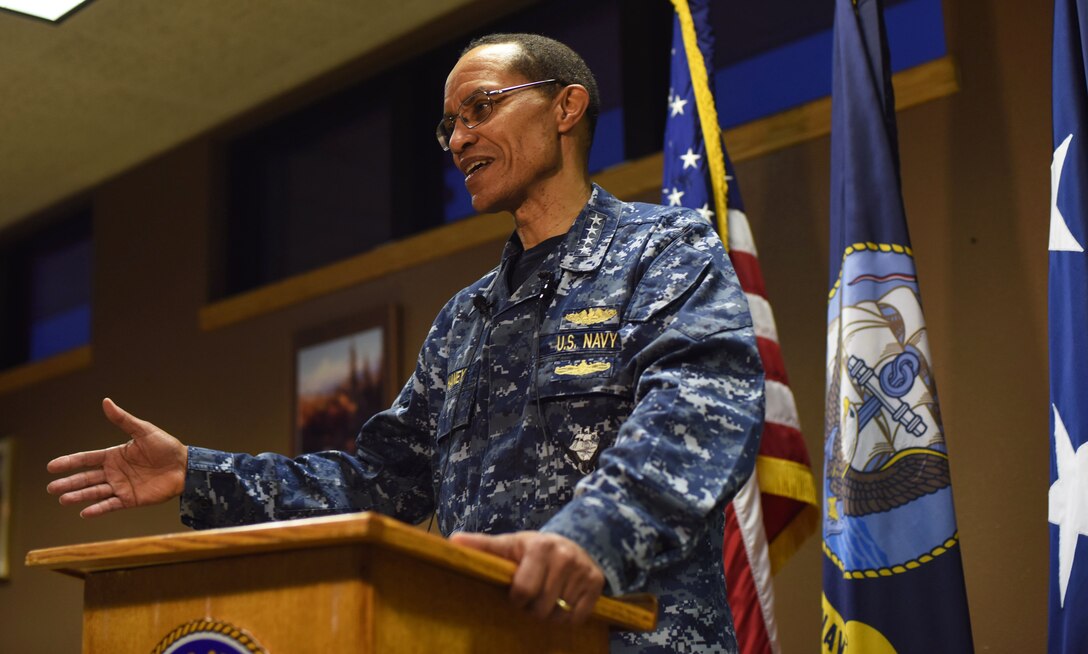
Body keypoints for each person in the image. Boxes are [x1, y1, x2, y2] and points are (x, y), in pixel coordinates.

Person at [46, 33, 764, 653]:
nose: (457, 140)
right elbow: (378, 487)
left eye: (481, 108)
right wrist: (197, 474)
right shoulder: (465, 318)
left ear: (566, 106)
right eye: (449, 124)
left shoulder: (662, 250)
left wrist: (586, 540)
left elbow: (697, 416)